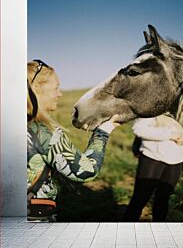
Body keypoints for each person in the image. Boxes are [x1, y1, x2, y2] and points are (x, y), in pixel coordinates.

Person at [27, 59, 118, 221]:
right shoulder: (44, 132)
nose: (59, 94)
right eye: (56, 88)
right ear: (36, 88)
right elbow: (85, 171)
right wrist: (103, 132)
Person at [123, 114, 183, 222]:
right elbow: (138, 128)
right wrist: (169, 135)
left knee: (163, 199)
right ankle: (126, 230)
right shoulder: (155, 107)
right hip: (152, 157)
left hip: (176, 160)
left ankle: (159, 232)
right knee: (140, 198)